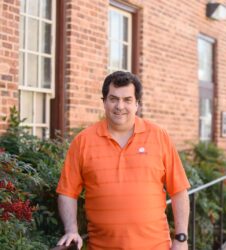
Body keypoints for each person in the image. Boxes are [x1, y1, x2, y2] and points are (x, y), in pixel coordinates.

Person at [56, 71, 190, 250]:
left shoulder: (159, 136)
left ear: (137, 104)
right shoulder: (82, 141)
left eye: (127, 100)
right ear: (104, 101)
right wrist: (71, 230)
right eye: (113, 99)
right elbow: (67, 191)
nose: (120, 106)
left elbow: (179, 190)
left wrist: (181, 238)